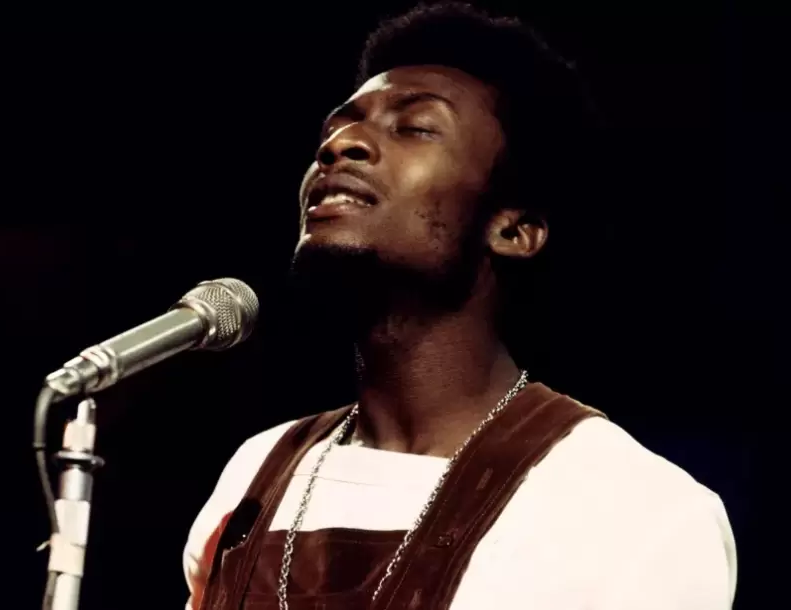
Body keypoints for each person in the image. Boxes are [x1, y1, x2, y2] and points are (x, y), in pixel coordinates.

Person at [183, 2, 737, 609]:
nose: (341, 146)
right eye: (335, 131)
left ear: (513, 229)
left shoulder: (631, 508)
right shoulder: (257, 474)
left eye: (415, 127)